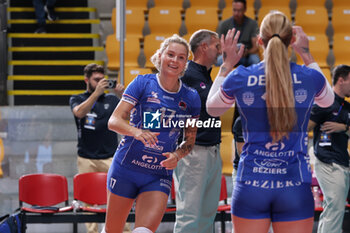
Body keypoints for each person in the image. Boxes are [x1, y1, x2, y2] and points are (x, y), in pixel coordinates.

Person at [206, 11, 334, 233]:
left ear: (259, 41)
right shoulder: (308, 76)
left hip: (251, 185)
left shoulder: (241, 76)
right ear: (291, 41)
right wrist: (306, 54)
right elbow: (328, 102)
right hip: (295, 185)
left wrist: (226, 66)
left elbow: (213, 109)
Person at [103, 34, 201, 233]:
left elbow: (189, 142)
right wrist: (136, 132)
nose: (174, 60)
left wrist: (177, 155)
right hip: (126, 168)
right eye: (170, 54)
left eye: (181, 57)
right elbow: (114, 121)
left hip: (158, 175)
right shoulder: (142, 83)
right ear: (161, 56)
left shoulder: (191, 97)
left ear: (185, 64)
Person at [173, 29, 222, 233]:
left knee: (208, 216)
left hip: (212, 150)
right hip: (193, 153)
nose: (220, 50)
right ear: (204, 47)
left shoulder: (206, 76)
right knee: (189, 215)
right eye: (216, 46)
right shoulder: (188, 75)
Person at [69, 63, 125, 233]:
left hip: (110, 156)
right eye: (96, 80)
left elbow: (131, 114)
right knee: (87, 200)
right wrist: (96, 93)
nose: (101, 82)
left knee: (119, 196)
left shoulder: (112, 99)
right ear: (87, 80)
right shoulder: (77, 98)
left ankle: (123, 230)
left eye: (103, 79)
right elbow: (79, 113)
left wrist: (123, 95)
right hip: (86, 157)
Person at [308, 64, 350, 233]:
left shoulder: (347, 107)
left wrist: (343, 128)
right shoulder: (324, 102)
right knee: (335, 209)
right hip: (327, 162)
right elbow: (305, 128)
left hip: (343, 162)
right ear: (341, 80)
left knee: (333, 209)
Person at [217, 0, 260, 67]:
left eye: (239, 10)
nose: (236, 13)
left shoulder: (253, 24)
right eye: (234, 10)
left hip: (247, 55)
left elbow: (256, 47)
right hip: (229, 55)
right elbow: (219, 46)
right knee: (219, 61)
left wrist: (246, 52)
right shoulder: (224, 24)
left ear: (245, 10)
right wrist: (230, 52)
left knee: (256, 60)